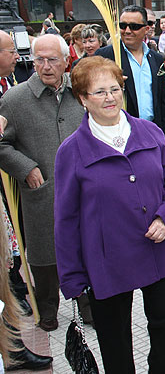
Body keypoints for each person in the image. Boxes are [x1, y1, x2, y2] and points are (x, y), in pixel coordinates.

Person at [54, 55, 165, 374]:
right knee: (115, 342)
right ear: (82, 99)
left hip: (158, 249)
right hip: (107, 261)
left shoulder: (149, 133)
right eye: (99, 92)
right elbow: (66, 219)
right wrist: (72, 278)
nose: (110, 97)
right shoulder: (71, 152)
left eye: (115, 89)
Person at [0, 34, 85, 332]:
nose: (45, 66)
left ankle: (88, 305)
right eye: (39, 60)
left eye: (52, 60)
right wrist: (25, 167)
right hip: (42, 191)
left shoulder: (80, 92)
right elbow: (0, 143)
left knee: (84, 247)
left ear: (66, 61)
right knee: (45, 254)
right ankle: (47, 307)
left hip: (82, 190)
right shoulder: (14, 100)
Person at [95, 5, 165, 141]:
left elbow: (162, 101)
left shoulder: (156, 58)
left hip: (151, 132)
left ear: (146, 29)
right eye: (123, 26)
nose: (127, 31)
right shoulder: (106, 56)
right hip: (117, 134)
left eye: (134, 26)